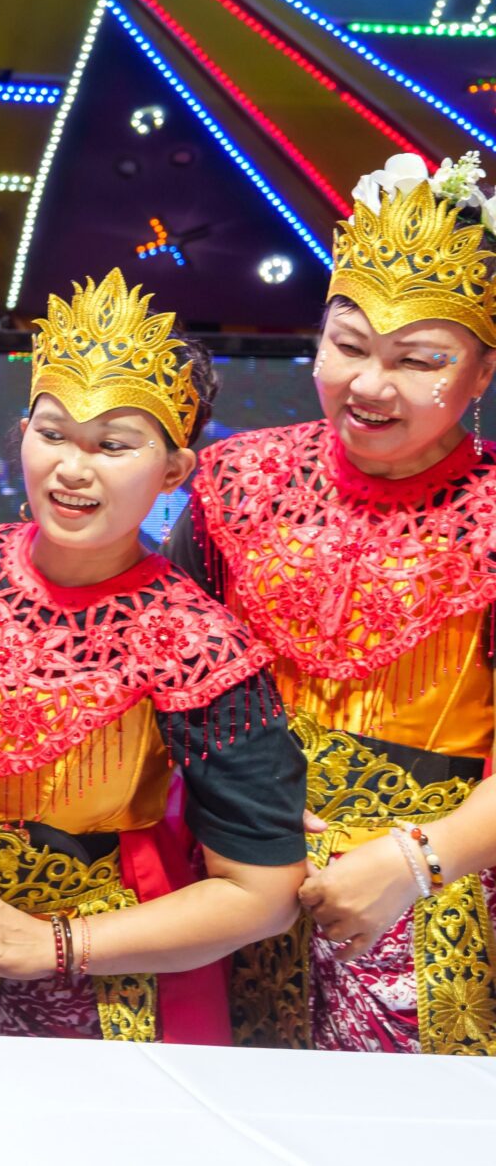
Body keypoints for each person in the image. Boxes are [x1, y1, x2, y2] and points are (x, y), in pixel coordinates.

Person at [0, 269, 305, 1042]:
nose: (73, 468)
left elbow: (264, 891)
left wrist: (54, 945)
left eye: (114, 444)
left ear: (175, 471)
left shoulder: (197, 639)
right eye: (52, 432)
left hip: (103, 998)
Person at [168, 153, 496, 1053]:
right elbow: (162, 675)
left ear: (481, 374)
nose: (369, 383)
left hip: (429, 900)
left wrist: (414, 863)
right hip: (238, 887)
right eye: (348, 343)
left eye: (418, 359)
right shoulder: (236, 479)